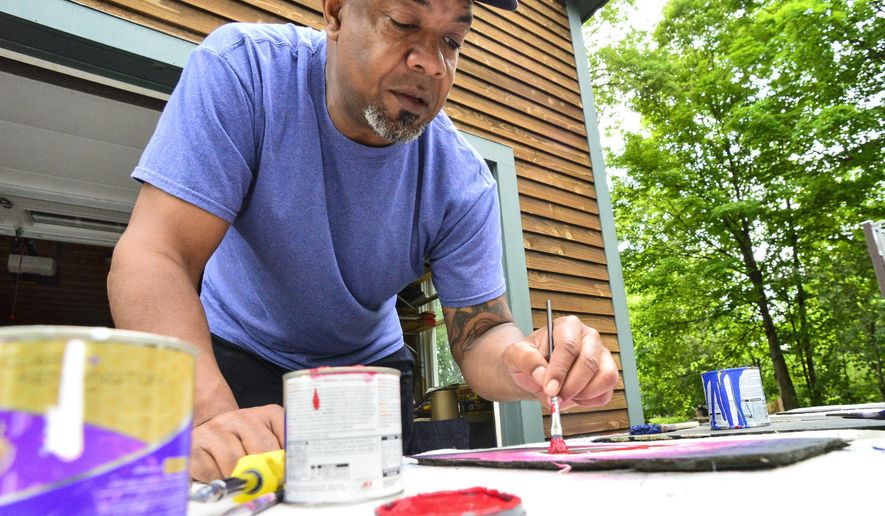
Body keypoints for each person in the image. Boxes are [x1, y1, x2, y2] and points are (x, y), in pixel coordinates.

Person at [107, 0, 619, 483]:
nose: (433, 65)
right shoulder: (246, 72)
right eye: (402, 22)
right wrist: (209, 417)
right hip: (235, 353)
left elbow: (481, 334)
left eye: (453, 40)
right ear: (334, 11)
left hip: (368, 372)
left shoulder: (461, 182)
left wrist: (524, 361)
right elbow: (155, 255)